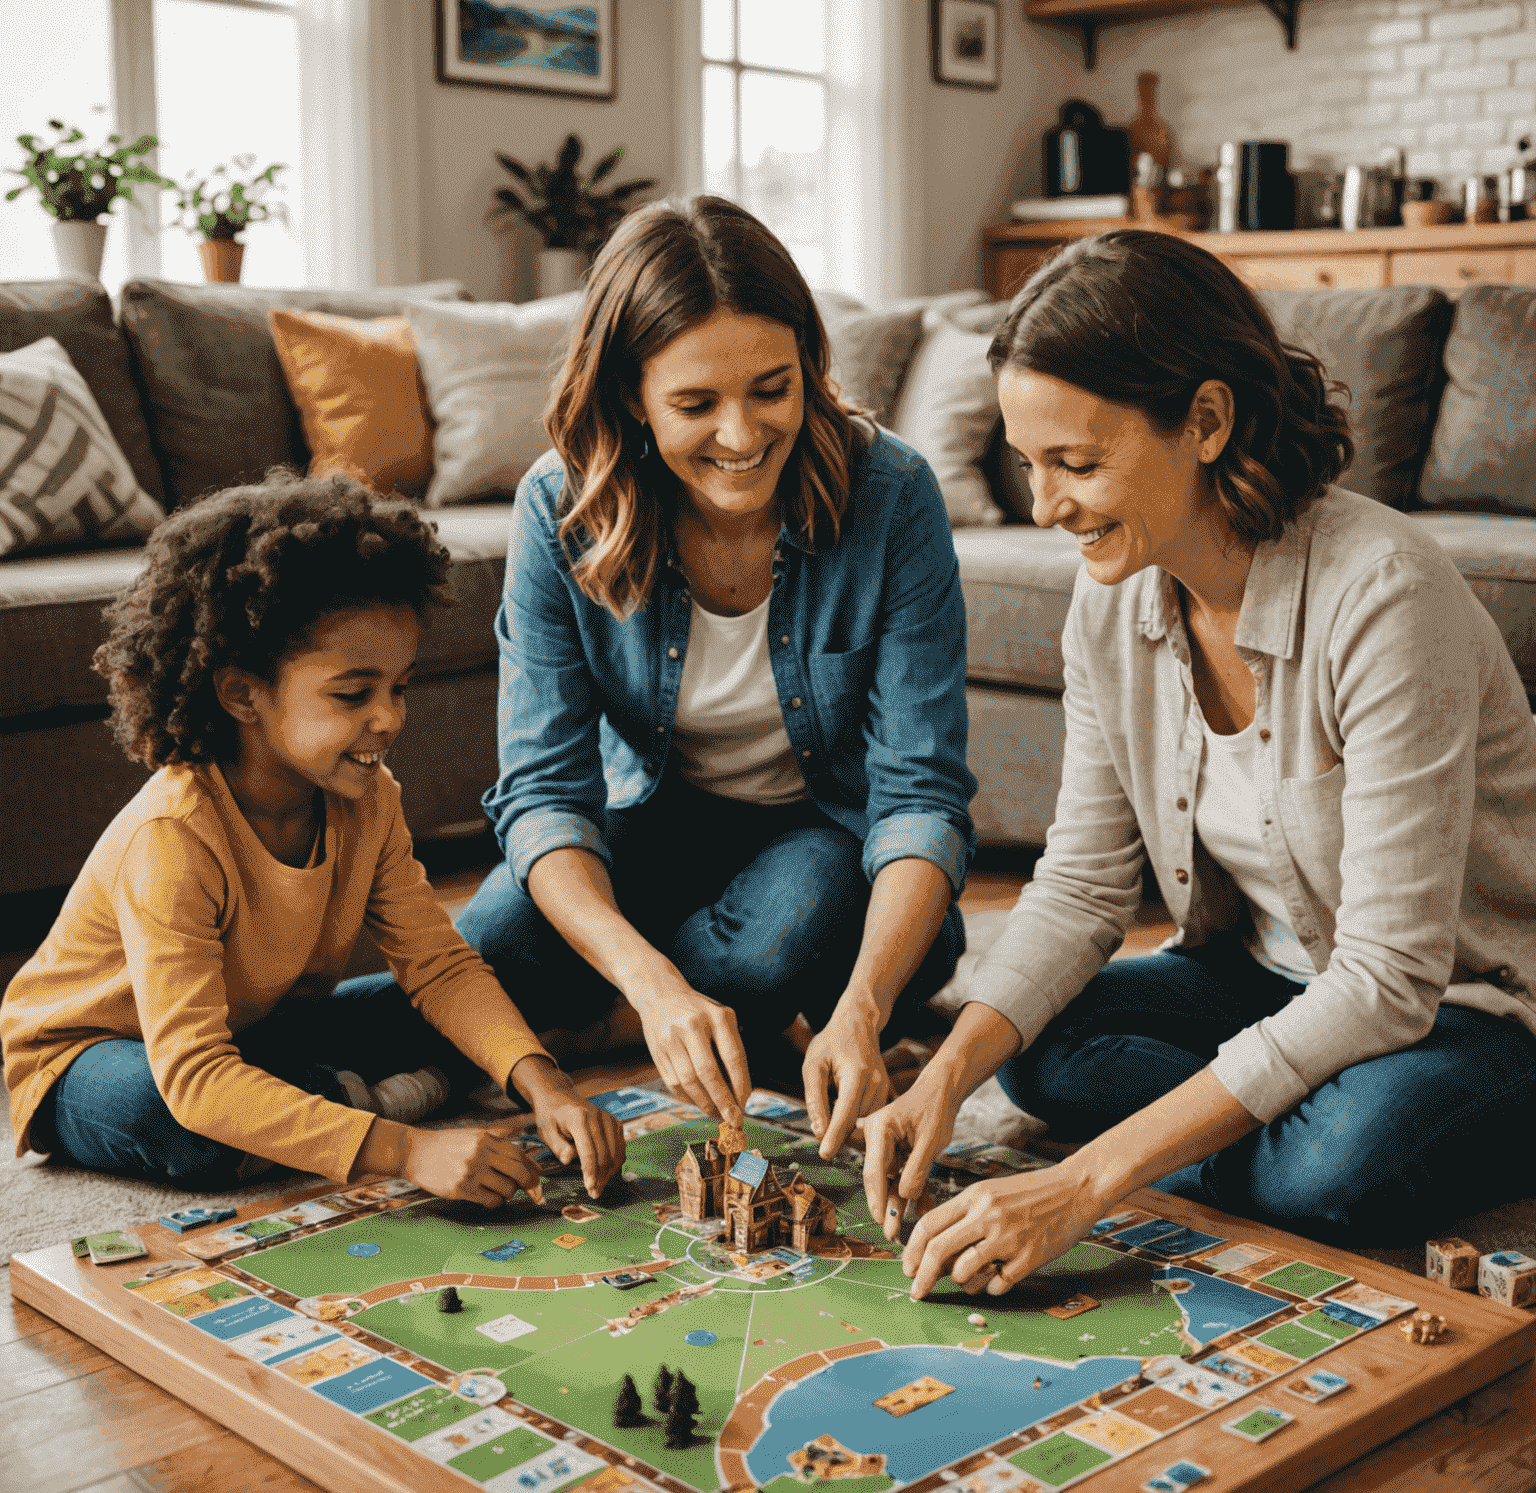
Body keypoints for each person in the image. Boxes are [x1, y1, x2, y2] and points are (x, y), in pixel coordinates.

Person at [861, 229, 1536, 1298]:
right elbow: (1082, 887)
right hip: (1262, 977)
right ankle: (1260, 1128)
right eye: (1030, 466)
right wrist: (943, 1082)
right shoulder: (1110, 600)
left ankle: (1291, 1135)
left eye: (1078, 465)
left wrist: (1085, 1182)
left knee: (1335, 1164)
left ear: (1208, 422)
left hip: (1467, 1006)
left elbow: (1386, 979)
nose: (1046, 508)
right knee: (1033, 1044)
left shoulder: (1385, 598)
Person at [456, 194, 976, 1157]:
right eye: (696, 405)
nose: (742, 436)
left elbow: (921, 793)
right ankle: (658, 1014)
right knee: (487, 944)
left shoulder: (892, 494)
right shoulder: (556, 508)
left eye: (771, 390)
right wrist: (652, 985)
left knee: (782, 935)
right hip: (650, 825)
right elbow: (543, 794)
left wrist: (861, 1009)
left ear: (809, 369)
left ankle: (609, 1019)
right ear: (631, 397)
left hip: (827, 840)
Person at [0, 472, 624, 1204]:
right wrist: (403, 1150)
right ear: (242, 693)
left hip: (258, 1035)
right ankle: (370, 1104)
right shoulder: (172, 837)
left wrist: (543, 1083)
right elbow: (195, 1077)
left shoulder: (367, 797)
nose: (389, 718)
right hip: (92, 1061)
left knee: (447, 1003)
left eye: (400, 687)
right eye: (353, 694)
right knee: (187, 1120)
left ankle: (334, 1099)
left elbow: (439, 966)